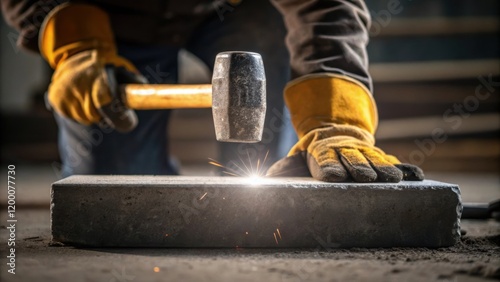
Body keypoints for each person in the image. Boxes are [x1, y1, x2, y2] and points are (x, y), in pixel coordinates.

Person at [2, 0, 423, 182]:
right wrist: (76, 45)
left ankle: (252, 192)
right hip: (114, 21)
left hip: (235, 13)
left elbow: (328, 8)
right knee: (115, 192)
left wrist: (335, 119)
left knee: (263, 35)